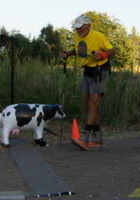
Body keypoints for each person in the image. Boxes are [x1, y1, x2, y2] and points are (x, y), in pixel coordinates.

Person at [60, 14, 115, 150]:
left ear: (88, 26)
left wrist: (102, 55)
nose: (78, 30)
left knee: (92, 104)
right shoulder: (76, 36)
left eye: (80, 27)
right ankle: (97, 137)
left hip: (100, 70)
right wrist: (68, 53)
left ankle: (84, 137)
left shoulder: (98, 36)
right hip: (87, 71)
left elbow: (112, 50)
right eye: (76, 28)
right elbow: (79, 50)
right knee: (87, 106)